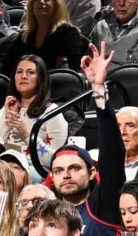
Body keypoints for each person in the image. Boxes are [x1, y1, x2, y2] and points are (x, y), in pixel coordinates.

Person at [47, 42, 125, 236]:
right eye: (58, 171)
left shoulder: (104, 203)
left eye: (74, 168)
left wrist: (98, 89)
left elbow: (113, 154)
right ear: (52, 178)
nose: (66, 175)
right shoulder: (46, 215)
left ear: (91, 173)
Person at [0, 54, 68, 171]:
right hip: (4, 167)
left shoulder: (52, 112)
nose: (23, 76)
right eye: (19, 72)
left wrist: (26, 134)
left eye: (30, 72)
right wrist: (8, 118)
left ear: (40, 79)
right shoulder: (5, 109)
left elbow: (56, 160)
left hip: (34, 169)